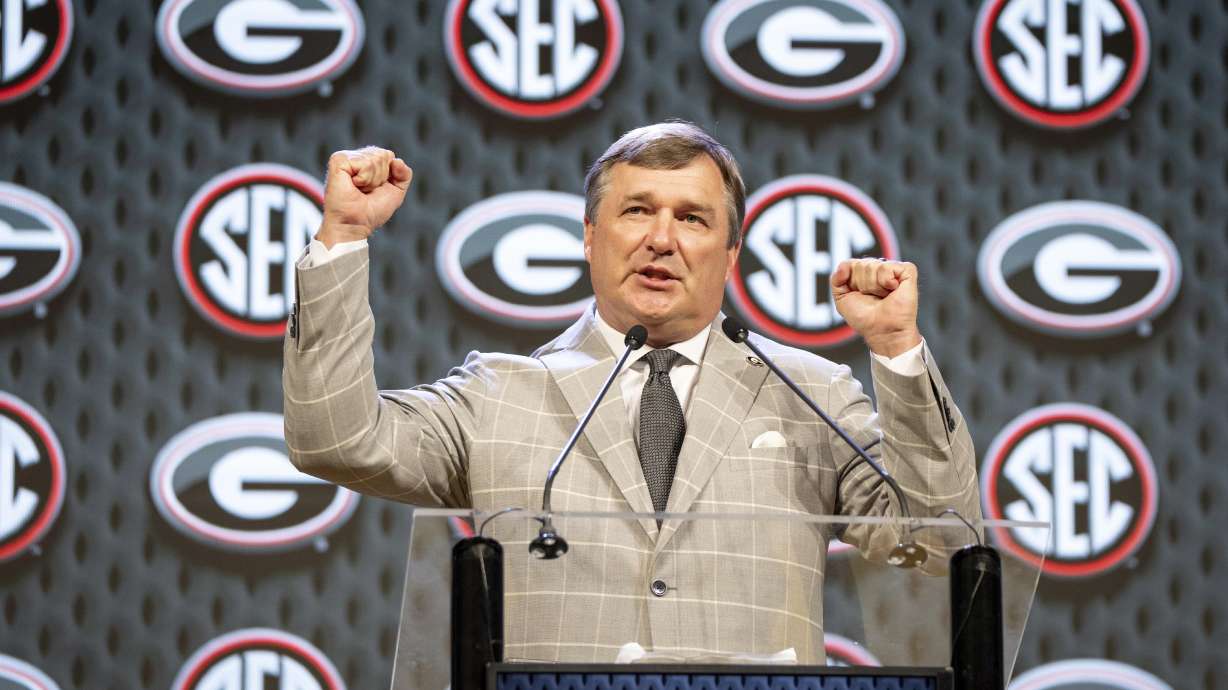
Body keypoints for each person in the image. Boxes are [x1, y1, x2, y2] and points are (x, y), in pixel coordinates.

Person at [283, 121, 979, 663]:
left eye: (694, 219)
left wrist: (896, 351)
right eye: (637, 211)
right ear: (590, 237)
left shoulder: (810, 393)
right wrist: (343, 236)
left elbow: (940, 539)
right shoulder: (500, 395)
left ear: (731, 255)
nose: (662, 239)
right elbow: (333, 438)